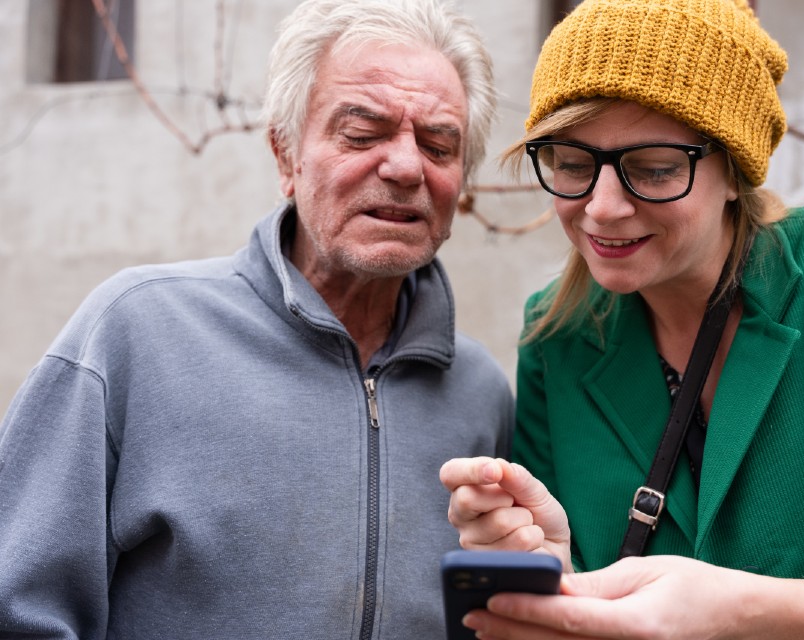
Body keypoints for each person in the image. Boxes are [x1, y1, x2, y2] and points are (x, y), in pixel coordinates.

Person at [441, 0, 804, 638]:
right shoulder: (557, 337)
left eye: (654, 169)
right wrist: (554, 576)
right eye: (572, 165)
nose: (602, 209)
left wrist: (737, 612)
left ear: (736, 170)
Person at [0, 0, 513, 638]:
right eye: (362, 133)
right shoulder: (134, 333)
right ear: (285, 156)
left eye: (439, 145)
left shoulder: (480, 393)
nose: (406, 167)